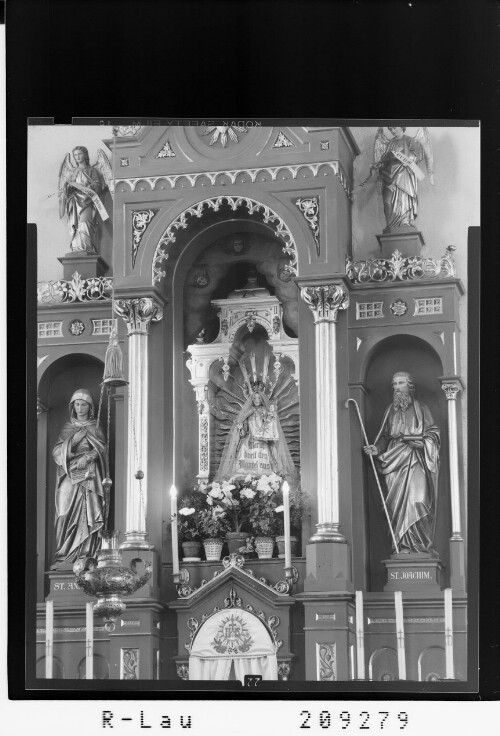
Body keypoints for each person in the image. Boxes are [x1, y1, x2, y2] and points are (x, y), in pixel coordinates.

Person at [364, 372, 440, 554]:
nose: (397, 387)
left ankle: (420, 546)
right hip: (393, 462)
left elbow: (433, 433)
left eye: (400, 383)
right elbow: (384, 436)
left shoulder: (422, 408)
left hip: (416, 459)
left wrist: (422, 442)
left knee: (418, 501)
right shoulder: (390, 410)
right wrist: (377, 449)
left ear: (410, 386)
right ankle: (403, 545)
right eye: (394, 384)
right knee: (396, 506)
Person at [52, 389, 107, 566]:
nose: (80, 408)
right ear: (72, 406)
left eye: (84, 404)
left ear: (90, 407)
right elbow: (56, 453)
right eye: (77, 404)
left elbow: (102, 450)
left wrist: (88, 457)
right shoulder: (68, 428)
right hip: (69, 475)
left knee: (89, 512)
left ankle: (85, 554)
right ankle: (64, 554)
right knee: (63, 512)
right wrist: (74, 441)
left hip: (89, 477)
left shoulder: (95, 426)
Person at [215, 389, 295, 481]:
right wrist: (241, 427)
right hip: (248, 441)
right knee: (244, 465)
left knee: (266, 461)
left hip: (263, 441)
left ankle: (267, 482)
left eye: (259, 398)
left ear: (262, 400)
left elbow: (270, 425)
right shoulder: (248, 412)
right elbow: (244, 429)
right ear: (252, 400)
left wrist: (271, 418)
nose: (257, 400)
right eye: (254, 398)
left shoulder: (265, 411)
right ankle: (246, 483)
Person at [372, 127, 434, 230]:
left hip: (405, 175)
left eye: (394, 128)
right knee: (387, 201)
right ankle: (391, 224)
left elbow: (416, 157)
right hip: (389, 177)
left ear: (401, 127)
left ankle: (405, 221)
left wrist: (400, 156)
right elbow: (383, 162)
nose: (392, 131)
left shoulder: (411, 141)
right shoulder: (389, 144)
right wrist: (379, 165)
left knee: (404, 196)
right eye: (390, 129)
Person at [59, 146, 104, 253]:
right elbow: (68, 188)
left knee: (84, 223)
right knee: (76, 225)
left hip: (87, 203)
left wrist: (86, 189)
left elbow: (98, 187)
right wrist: (66, 189)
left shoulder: (92, 171)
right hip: (75, 203)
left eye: (80, 154)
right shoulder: (73, 172)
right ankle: (77, 248)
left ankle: (87, 248)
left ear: (85, 155)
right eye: (75, 155)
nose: (77, 157)